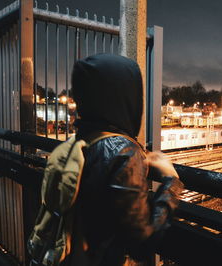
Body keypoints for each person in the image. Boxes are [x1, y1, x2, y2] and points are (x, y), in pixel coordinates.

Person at [67, 53, 183, 265]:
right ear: (126, 97)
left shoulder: (77, 142)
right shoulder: (123, 151)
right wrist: (171, 182)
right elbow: (142, 240)